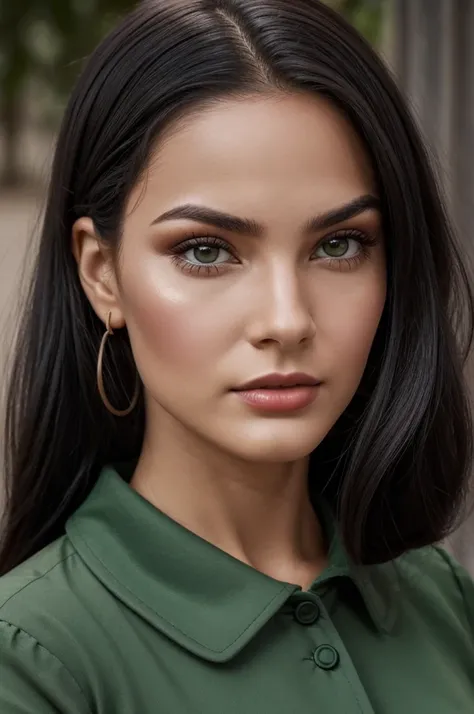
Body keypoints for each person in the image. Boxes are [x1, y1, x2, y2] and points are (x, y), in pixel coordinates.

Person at [1, 0, 473, 710]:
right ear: (102, 273)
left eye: (338, 245)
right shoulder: (33, 663)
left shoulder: (446, 607)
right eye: (205, 251)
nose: (286, 320)